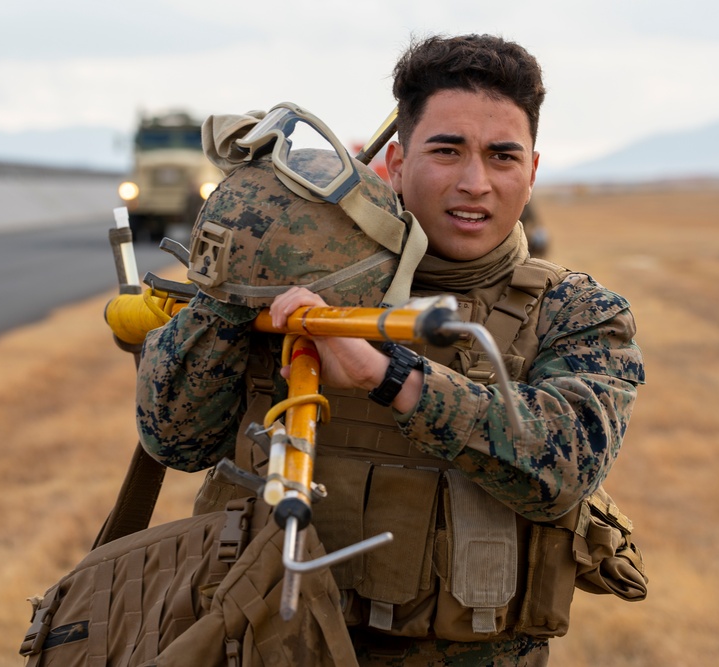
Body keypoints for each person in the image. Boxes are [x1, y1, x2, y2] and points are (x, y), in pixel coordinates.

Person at [137, 33, 644, 667]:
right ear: (398, 164)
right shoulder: (297, 284)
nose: (474, 182)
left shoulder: (580, 313)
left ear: (532, 170)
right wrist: (230, 286)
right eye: (447, 150)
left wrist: (392, 375)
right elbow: (175, 440)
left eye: (502, 156)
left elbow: (562, 472)